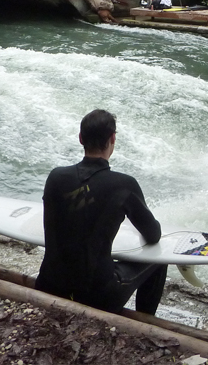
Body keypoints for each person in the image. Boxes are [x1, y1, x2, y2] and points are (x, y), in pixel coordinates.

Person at [35, 109, 167, 315]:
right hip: (99, 296)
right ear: (112, 138)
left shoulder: (55, 177)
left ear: (80, 138)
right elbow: (153, 235)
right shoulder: (124, 185)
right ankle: (144, 322)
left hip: (48, 284)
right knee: (159, 259)